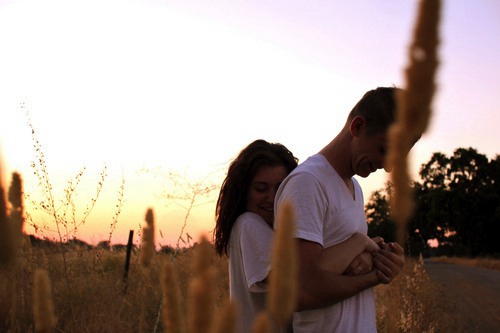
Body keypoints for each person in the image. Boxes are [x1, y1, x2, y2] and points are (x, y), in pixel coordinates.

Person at [275, 87, 409, 332]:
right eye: (384, 150)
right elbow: (297, 293)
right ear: (357, 127)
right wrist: (374, 274)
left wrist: (381, 258)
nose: (388, 167)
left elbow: (337, 263)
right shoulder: (308, 183)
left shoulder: (355, 188)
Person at [214, 139, 383, 333]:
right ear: (243, 191)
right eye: (260, 189)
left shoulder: (271, 232)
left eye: (280, 188)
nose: (271, 198)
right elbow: (302, 279)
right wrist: (360, 243)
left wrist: (365, 256)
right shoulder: (249, 224)